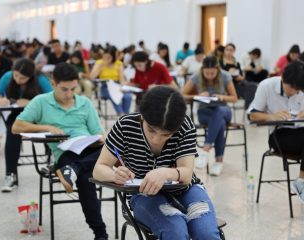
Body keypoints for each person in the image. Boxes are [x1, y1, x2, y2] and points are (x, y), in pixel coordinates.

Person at [93, 86, 220, 239]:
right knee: (175, 231)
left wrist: (165, 172)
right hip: (143, 194)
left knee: (206, 234)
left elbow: (186, 175)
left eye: (166, 134)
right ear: (142, 117)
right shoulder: (125, 125)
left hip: (185, 189)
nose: (156, 139)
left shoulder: (184, 125)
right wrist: (115, 175)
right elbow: (99, 169)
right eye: (151, 130)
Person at [12, 63, 109, 240]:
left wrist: (99, 139)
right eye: (64, 89)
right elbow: (16, 127)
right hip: (65, 154)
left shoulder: (85, 103)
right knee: (86, 180)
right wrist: (46, 127)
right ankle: (100, 234)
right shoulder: (41, 102)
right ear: (53, 83)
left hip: (90, 150)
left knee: (114, 149)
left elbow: (98, 132)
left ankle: (75, 170)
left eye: (73, 89)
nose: (69, 94)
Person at [0, 58, 52, 192]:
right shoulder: (7, 77)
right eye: (16, 75)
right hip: (18, 114)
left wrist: (31, 103)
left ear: (31, 77)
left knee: (51, 128)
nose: (18, 79)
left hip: (40, 115)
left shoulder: (41, 80)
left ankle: (54, 161)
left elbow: (53, 101)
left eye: (23, 78)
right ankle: (10, 174)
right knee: (13, 130)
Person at [248, 61, 304, 203]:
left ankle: (301, 181)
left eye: (298, 90)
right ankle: (301, 182)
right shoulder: (266, 86)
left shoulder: (300, 88)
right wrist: (271, 116)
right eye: (292, 88)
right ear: (283, 78)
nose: (294, 92)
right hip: (279, 135)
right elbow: (252, 115)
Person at [182, 56, 238, 176]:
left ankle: (205, 150)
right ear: (202, 70)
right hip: (205, 111)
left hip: (224, 109)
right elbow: (182, 95)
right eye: (207, 73)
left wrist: (222, 97)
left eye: (212, 73)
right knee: (220, 123)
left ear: (217, 69)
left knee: (220, 111)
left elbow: (234, 98)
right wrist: (198, 95)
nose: (210, 76)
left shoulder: (225, 75)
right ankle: (218, 162)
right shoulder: (197, 76)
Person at [90, 47, 132, 116]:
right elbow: (92, 77)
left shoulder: (119, 64)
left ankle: (125, 115)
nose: (106, 59)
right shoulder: (99, 63)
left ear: (113, 57)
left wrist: (123, 87)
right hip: (105, 86)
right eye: (104, 57)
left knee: (128, 97)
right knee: (114, 96)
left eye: (108, 57)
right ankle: (122, 114)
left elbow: (121, 79)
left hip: (116, 85)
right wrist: (100, 66)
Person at [220, 43, 257, 109]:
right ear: (224, 51)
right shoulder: (220, 62)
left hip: (238, 82)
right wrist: (228, 73)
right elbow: (218, 75)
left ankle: (249, 108)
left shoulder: (237, 63)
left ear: (234, 51)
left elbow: (242, 76)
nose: (229, 52)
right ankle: (249, 107)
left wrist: (240, 77)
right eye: (227, 50)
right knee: (248, 88)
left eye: (231, 50)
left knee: (253, 85)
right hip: (227, 84)